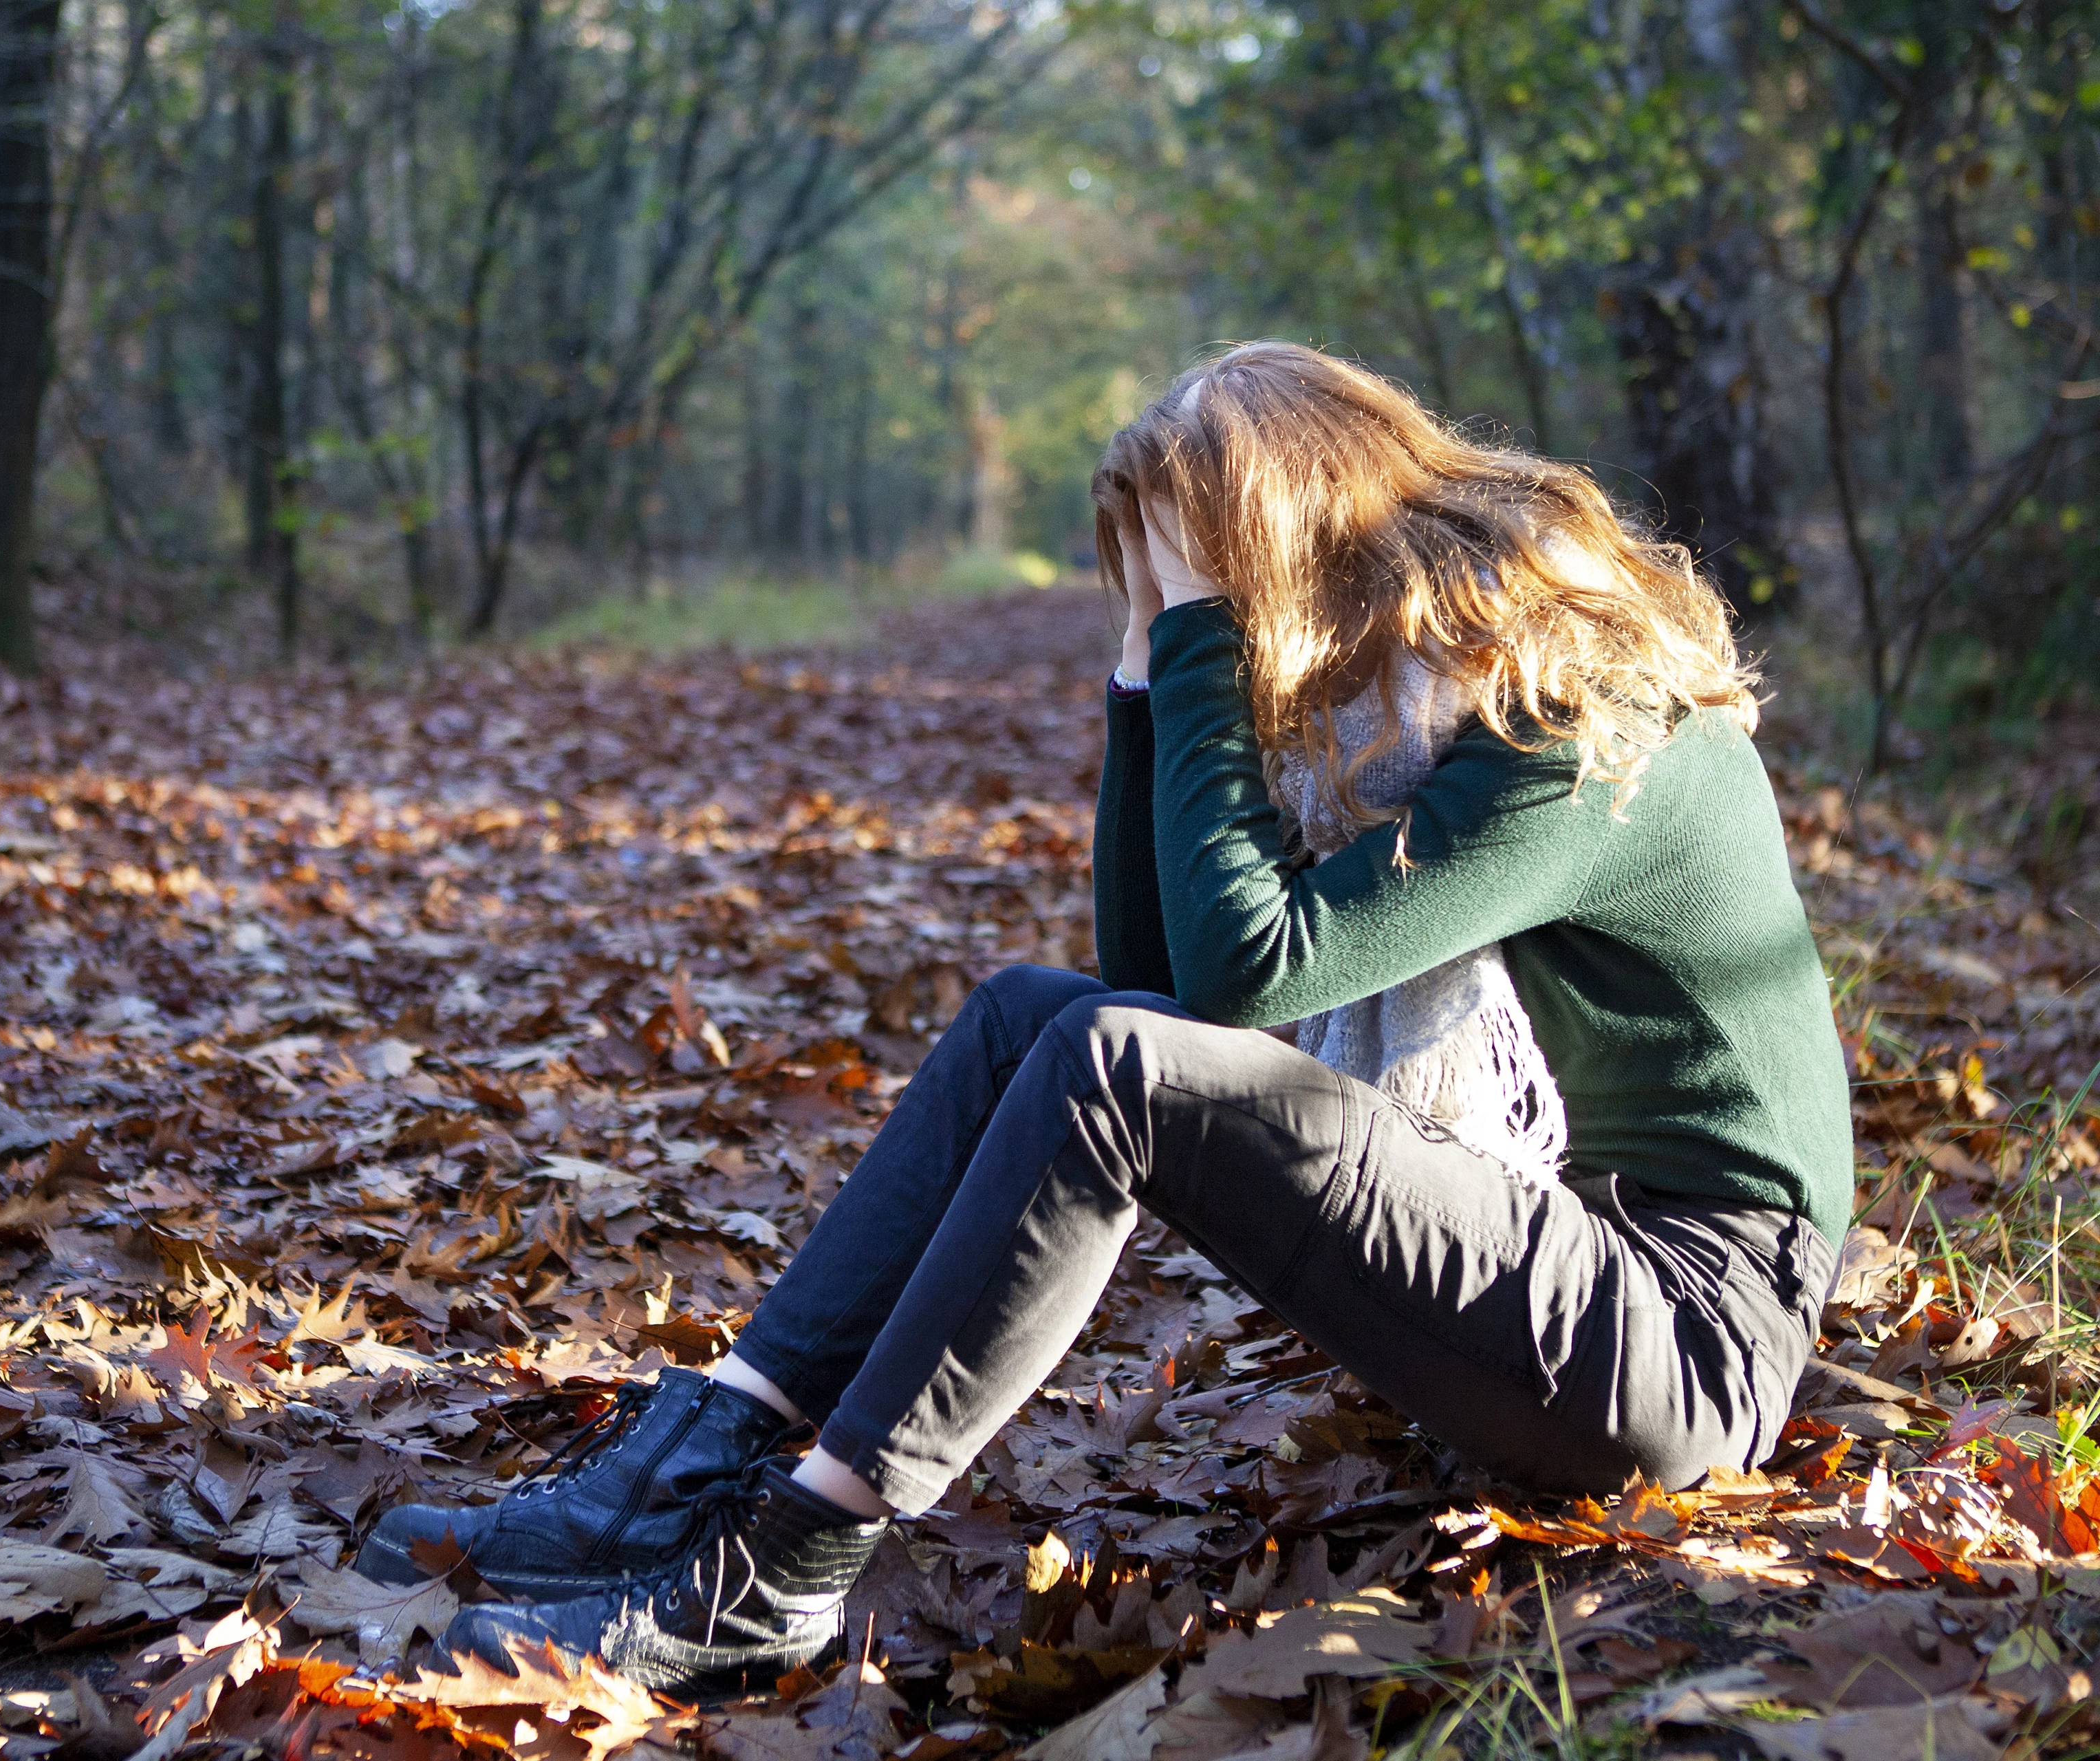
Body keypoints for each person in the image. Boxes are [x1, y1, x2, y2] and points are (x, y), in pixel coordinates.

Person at [358, 341, 1851, 1701]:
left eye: (1198, 568)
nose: (1198, 607)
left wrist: (1202, 641)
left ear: (1287, 536)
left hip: (1677, 1335)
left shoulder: (1569, 716)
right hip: (1569, 1278)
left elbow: (1240, 981)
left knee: (1117, 1063)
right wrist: (1144, 671)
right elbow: (1145, 970)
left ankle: (783, 1569)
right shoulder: (1433, 690)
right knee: (1038, 1015)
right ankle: (693, 1471)